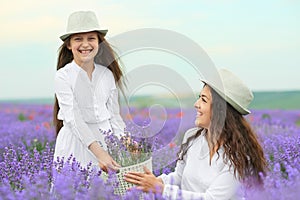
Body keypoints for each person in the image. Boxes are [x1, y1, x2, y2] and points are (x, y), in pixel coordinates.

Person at [124, 69, 267, 199]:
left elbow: (212, 199)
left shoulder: (237, 157)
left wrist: (161, 190)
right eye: (199, 97)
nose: (196, 104)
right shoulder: (193, 138)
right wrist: (157, 181)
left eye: (203, 100)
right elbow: (180, 177)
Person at [53, 11, 126, 172]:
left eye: (91, 38)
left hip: (106, 141)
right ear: (69, 44)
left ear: (99, 42)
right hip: (75, 144)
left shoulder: (107, 75)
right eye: (78, 39)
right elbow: (73, 119)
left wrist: (125, 141)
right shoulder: (63, 76)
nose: (85, 44)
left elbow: (114, 116)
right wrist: (100, 154)